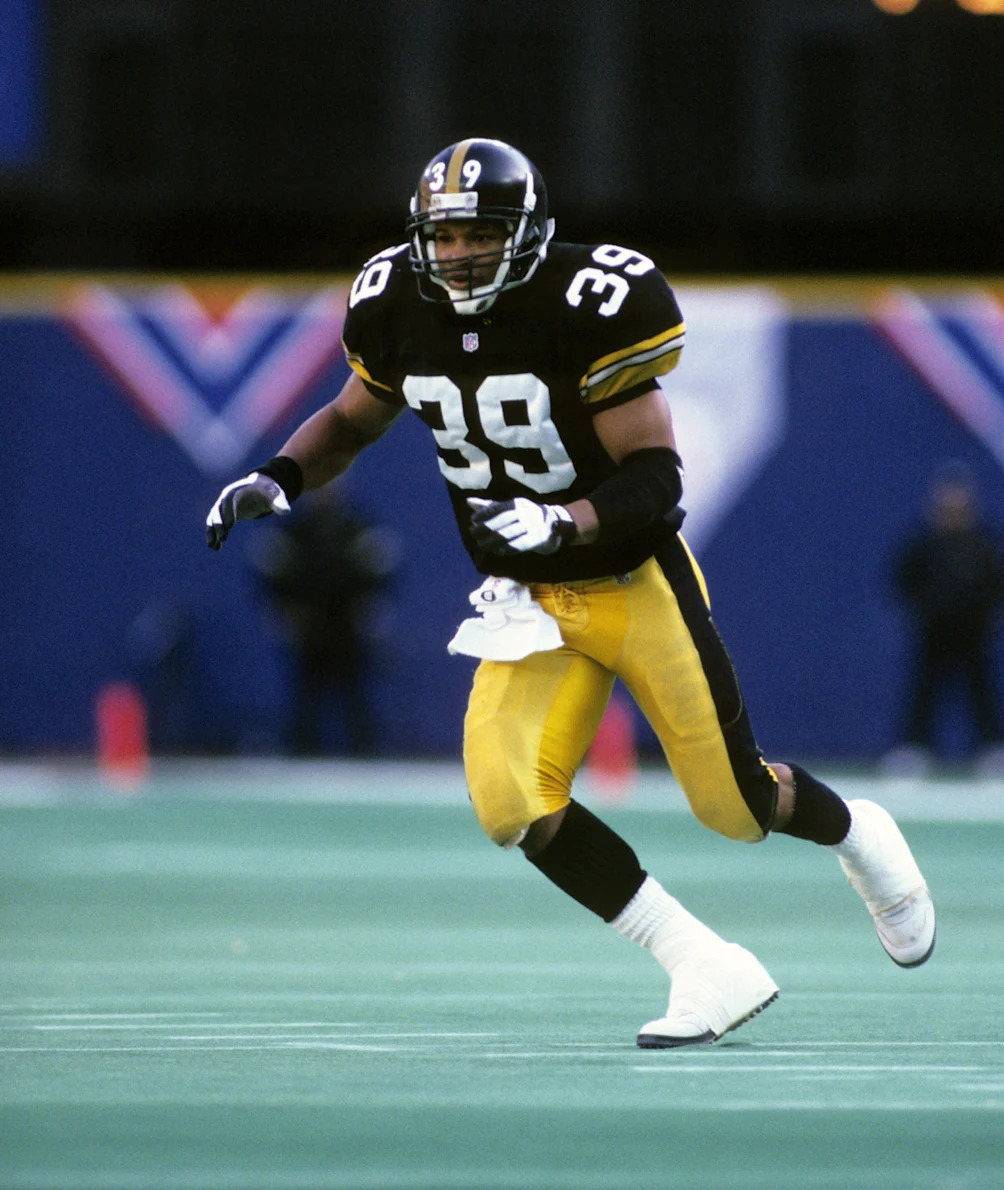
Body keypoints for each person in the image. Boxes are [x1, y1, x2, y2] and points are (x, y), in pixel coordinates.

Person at [205, 137, 936, 1048]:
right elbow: (354, 417)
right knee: (508, 796)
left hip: (632, 578)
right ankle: (701, 961)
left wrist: (565, 521)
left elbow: (657, 477)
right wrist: (278, 475)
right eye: (444, 236)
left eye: (480, 234)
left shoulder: (590, 303)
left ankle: (859, 834)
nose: (458, 254)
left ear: (527, 232)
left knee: (735, 806)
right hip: (530, 599)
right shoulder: (397, 302)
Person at [882, 463, 1004, 778]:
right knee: (924, 692)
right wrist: (924, 611)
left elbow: (1003, 584)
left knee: (982, 692)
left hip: (975, 633)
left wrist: (987, 616)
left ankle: (994, 750)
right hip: (933, 633)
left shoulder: (985, 543)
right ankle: (913, 749)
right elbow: (903, 581)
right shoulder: (923, 543)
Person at [250, 485, 400, 756]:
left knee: (355, 698)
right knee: (305, 698)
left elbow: (381, 569)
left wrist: (368, 605)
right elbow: (271, 571)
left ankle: (364, 752)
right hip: (309, 628)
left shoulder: (356, 527)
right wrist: (285, 609)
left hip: (347, 628)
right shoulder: (295, 531)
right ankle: (301, 750)